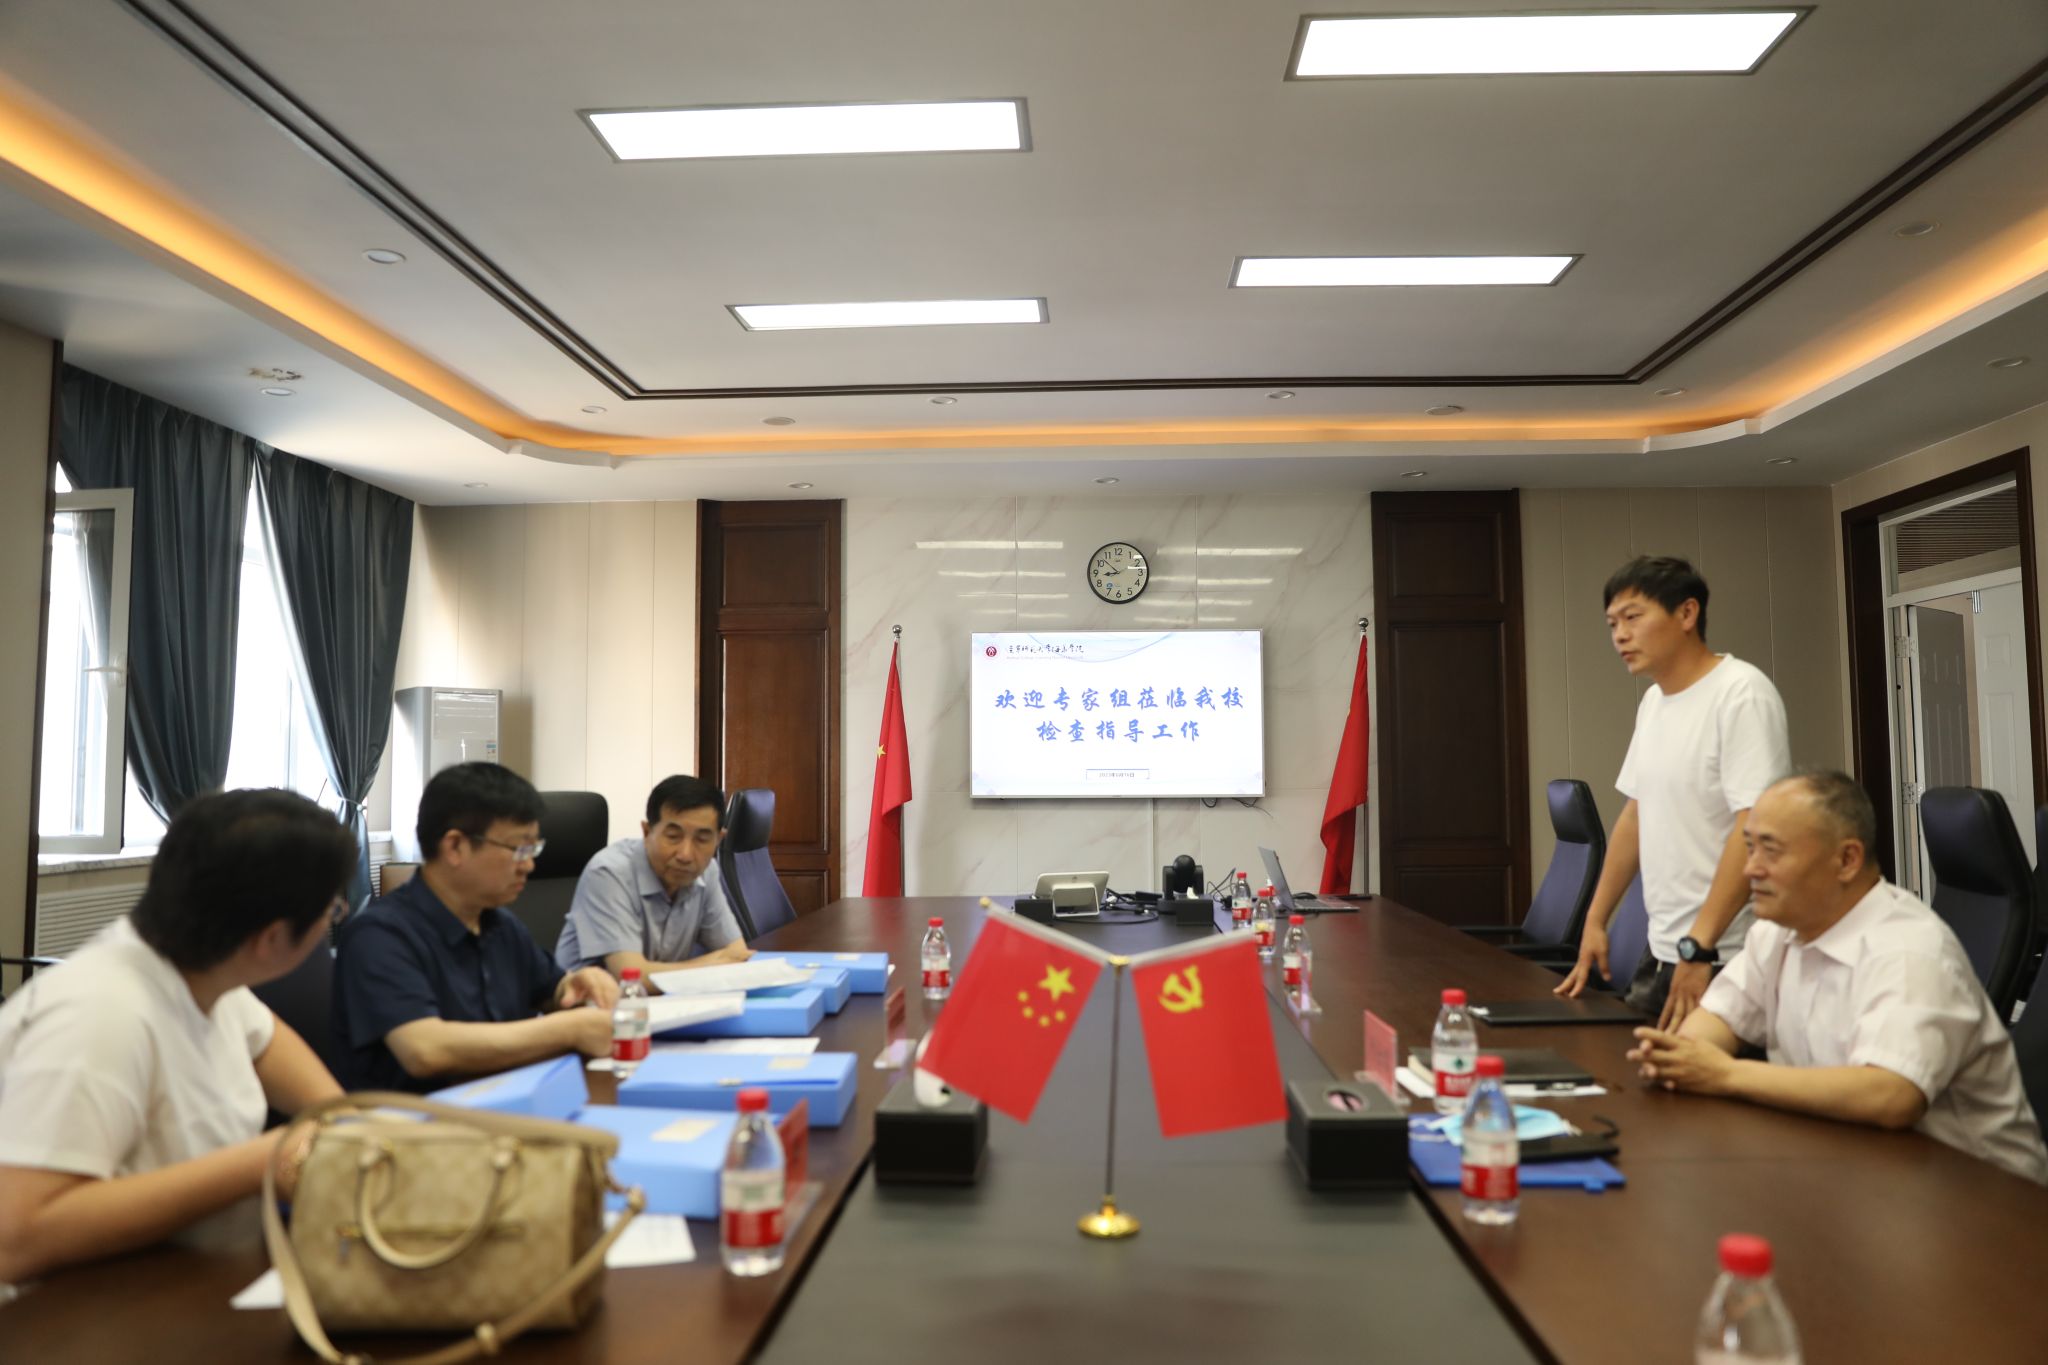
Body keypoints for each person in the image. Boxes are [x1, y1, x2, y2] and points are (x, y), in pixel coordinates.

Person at [0, 789, 354, 1283]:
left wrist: (345, 1122)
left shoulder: (207, 976)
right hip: (78, 1314)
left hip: (189, 1281)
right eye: (331, 910)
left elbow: (267, 1042)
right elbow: (16, 1238)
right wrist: (263, 1161)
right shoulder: (100, 1015)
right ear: (271, 938)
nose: (332, 919)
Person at [1629, 772, 2048, 1184]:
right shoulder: (1778, 932)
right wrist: (1684, 1058)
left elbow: (1891, 1094)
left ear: (1847, 860)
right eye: (1749, 848)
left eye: (1771, 851)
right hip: (1855, 1163)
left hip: (1979, 1192)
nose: (1750, 869)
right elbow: (1716, 1021)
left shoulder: (1908, 950)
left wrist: (1723, 1075)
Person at [1557, 556, 1791, 1028]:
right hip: (1665, 948)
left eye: (1633, 617)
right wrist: (1596, 920)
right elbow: (1635, 816)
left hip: (1727, 953)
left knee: (1703, 1075)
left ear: (1686, 613)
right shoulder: (1654, 702)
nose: (1620, 635)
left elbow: (1753, 827)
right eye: (1612, 624)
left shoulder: (1740, 693)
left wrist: (1700, 946)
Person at [333, 762, 618, 1092]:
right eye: (519, 849)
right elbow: (425, 1050)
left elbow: (552, 990)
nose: (529, 865)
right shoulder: (380, 936)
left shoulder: (500, 925)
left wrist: (577, 984)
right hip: (414, 1117)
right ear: (455, 847)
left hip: (508, 1099)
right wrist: (567, 1029)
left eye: (534, 849)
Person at [555, 774, 754, 985]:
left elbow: (737, 954)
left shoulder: (707, 871)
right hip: (588, 1003)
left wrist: (720, 962)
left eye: (702, 839)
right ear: (647, 831)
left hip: (667, 1000)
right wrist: (711, 965)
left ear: (718, 840)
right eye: (673, 837)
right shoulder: (609, 873)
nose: (686, 855)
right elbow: (631, 977)